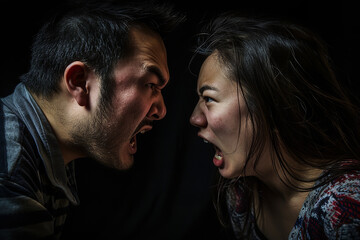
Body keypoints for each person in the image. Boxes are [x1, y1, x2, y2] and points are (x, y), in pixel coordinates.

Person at [0, 1, 184, 239]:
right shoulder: (10, 182)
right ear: (79, 82)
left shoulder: (46, 156)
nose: (161, 110)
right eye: (150, 85)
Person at [189, 13, 360, 239]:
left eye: (209, 99)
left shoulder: (345, 209)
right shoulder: (240, 196)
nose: (195, 118)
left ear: (272, 108)